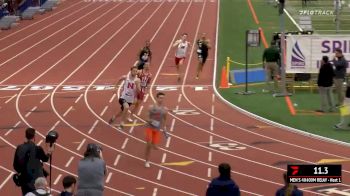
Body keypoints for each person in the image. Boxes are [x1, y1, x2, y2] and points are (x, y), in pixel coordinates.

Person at [13, 128, 54, 196]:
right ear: (34, 136)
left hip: (24, 180)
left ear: (26, 136)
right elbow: (45, 159)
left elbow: (15, 165)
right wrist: (49, 152)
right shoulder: (37, 148)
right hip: (36, 181)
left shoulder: (19, 148)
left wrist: (22, 172)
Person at [144, 92, 168, 168]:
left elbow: (165, 119)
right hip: (149, 128)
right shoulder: (151, 107)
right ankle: (147, 161)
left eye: (163, 98)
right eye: (160, 98)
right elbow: (146, 118)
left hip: (157, 129)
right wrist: (151, 121)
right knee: (148, 144)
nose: (161, 99)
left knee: (154, 146)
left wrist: (164, 128)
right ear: (156, 98)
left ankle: (154, 146)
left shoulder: (165, 109)